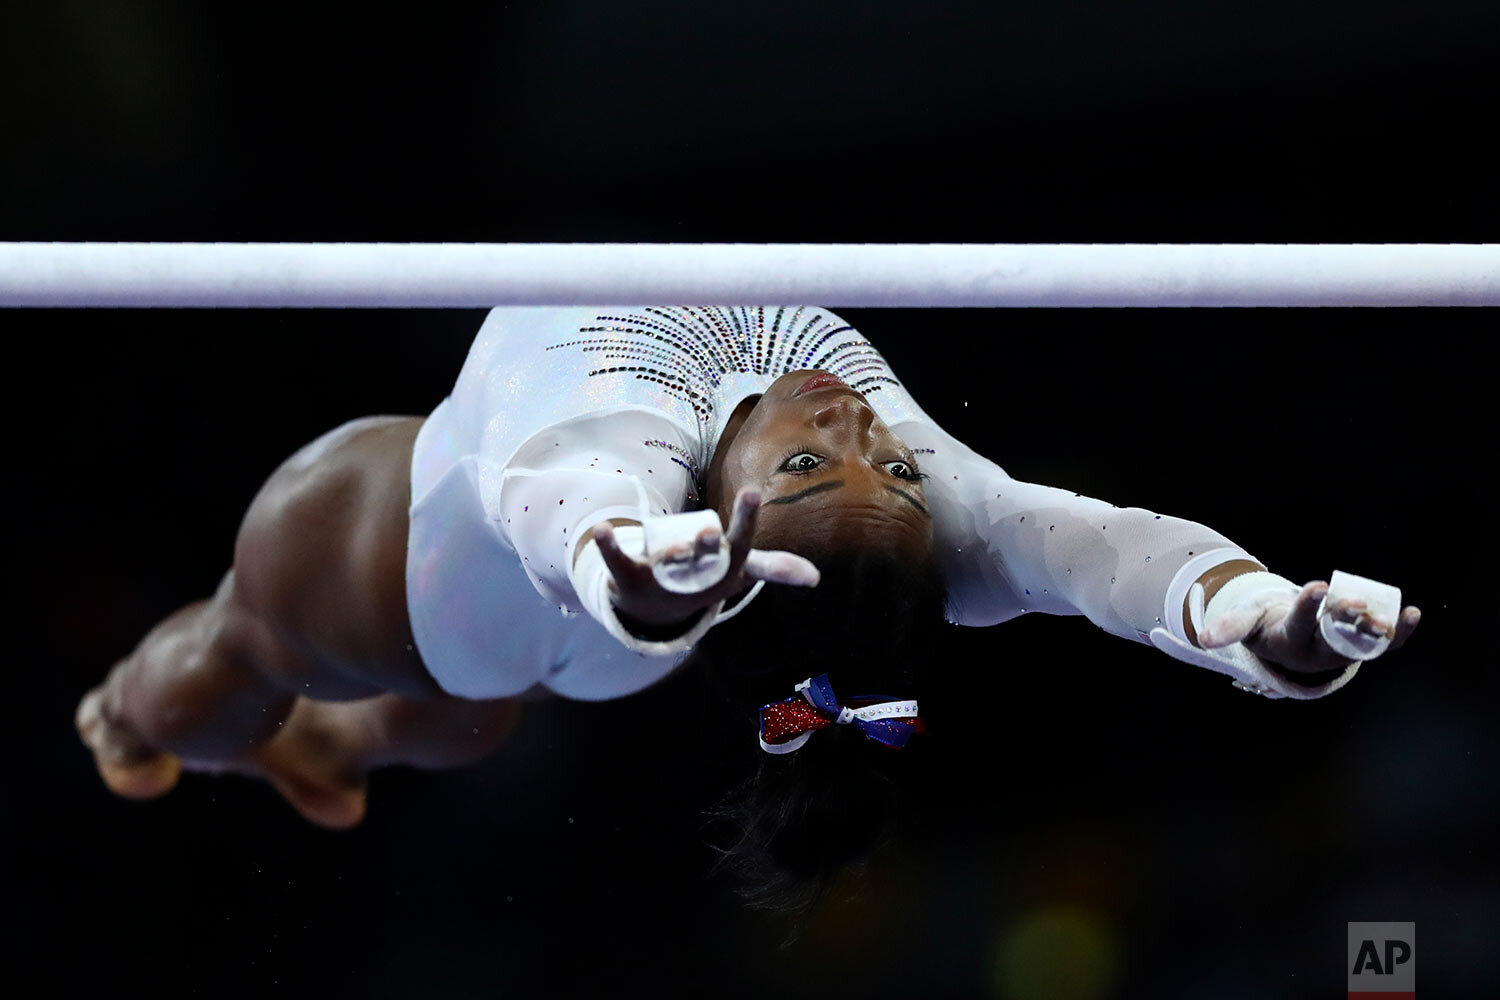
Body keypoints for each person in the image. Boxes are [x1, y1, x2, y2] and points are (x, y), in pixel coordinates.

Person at [75, 305, 1421, 916]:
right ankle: (340, 747)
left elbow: (572, 465)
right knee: (470, 716)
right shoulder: (871, 482)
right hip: (588, 644)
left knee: (219, 661)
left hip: (405, 581)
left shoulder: (622, 446)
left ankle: (125, 715)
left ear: (729, 517)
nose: (852, 424)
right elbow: (1096, 551)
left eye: (806, 465)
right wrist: (1248, 615)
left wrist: (614, 558)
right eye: (885, 462)